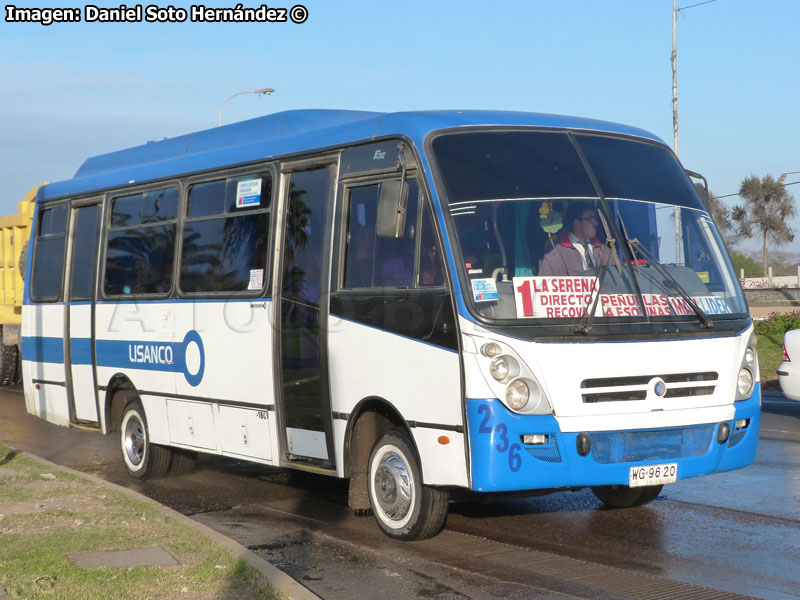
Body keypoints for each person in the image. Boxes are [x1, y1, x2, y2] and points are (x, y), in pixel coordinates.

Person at [539, 202, 606, 276]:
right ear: (577, 223)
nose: (596, 223)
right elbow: (545, 284)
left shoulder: (603, 249)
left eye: (595, 218)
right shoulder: (556, 252)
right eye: (591, 219)